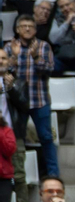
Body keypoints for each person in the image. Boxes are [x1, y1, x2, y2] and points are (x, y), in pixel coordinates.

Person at [6, 14, 57, 180]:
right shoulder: (9, 47)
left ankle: (53, 175)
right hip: (17, 102)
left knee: (46, 138)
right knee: (15, 139)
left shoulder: (44, 47)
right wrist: (13, 57)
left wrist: (35, 57)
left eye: (31, 26)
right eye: (24, 26)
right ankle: (15, 174)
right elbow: (5, 73)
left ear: (35, 30)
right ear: (17, 29)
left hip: (39, 100)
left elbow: (48, 71)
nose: (27, 29)